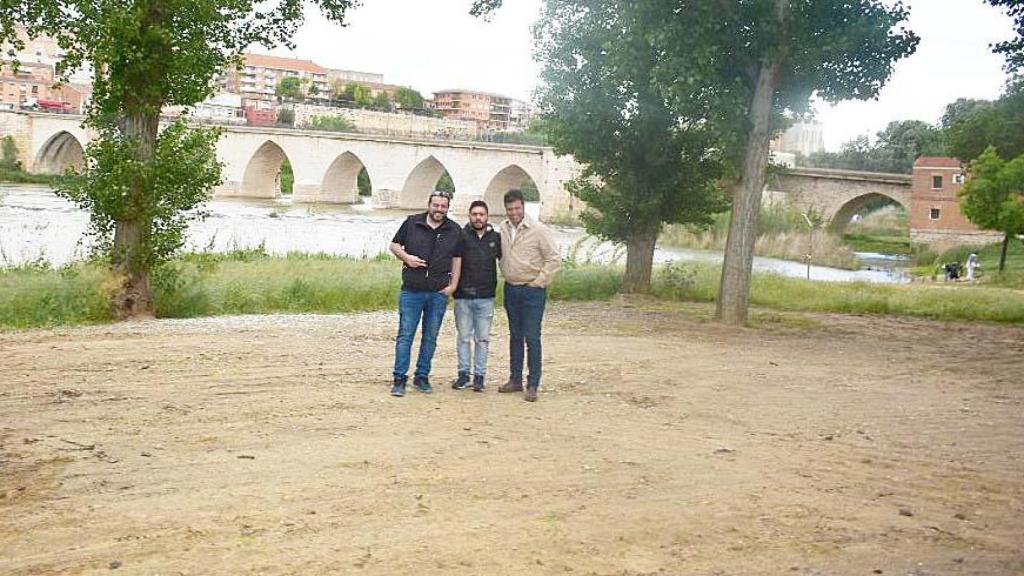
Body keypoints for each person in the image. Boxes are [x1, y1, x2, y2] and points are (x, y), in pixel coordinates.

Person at [388, 190, 464, 397]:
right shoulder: (412, 223)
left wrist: (453, 286)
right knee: (405, 336)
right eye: (436, 205)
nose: (439, 209)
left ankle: (422, 376)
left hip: (438, 293)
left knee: (430, 337)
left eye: (443, 206)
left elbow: (457, 259)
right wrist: (407, 258)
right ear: (429, 204)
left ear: (448, 208)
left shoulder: (454, 230)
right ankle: (399, 379)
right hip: (411, 291)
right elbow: (393, 245)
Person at [497, 189, 562, 402]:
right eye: (509, 209)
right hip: (511, 288)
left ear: (523, 206)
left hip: (532, 291)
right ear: (505, 210)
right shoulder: (503, 228)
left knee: (532, 336)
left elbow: (554, 259)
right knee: (515, 335)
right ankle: (515, 379)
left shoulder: (539, 230)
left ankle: (533, 384)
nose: (513, 213)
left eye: (517, 208)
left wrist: (539, 282)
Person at [452, 200, 502, 393]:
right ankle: (463, 374)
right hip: (463, 296)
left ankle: (480, 376)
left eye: (481, 214)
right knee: (464, 337)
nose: (478, 218)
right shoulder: (461, 236)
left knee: (482, 338)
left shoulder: (496, 238)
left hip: (486, 297)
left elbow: (507, 261)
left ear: (487, 216)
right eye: (474, 214)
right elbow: (452, 262)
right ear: (469, 216)